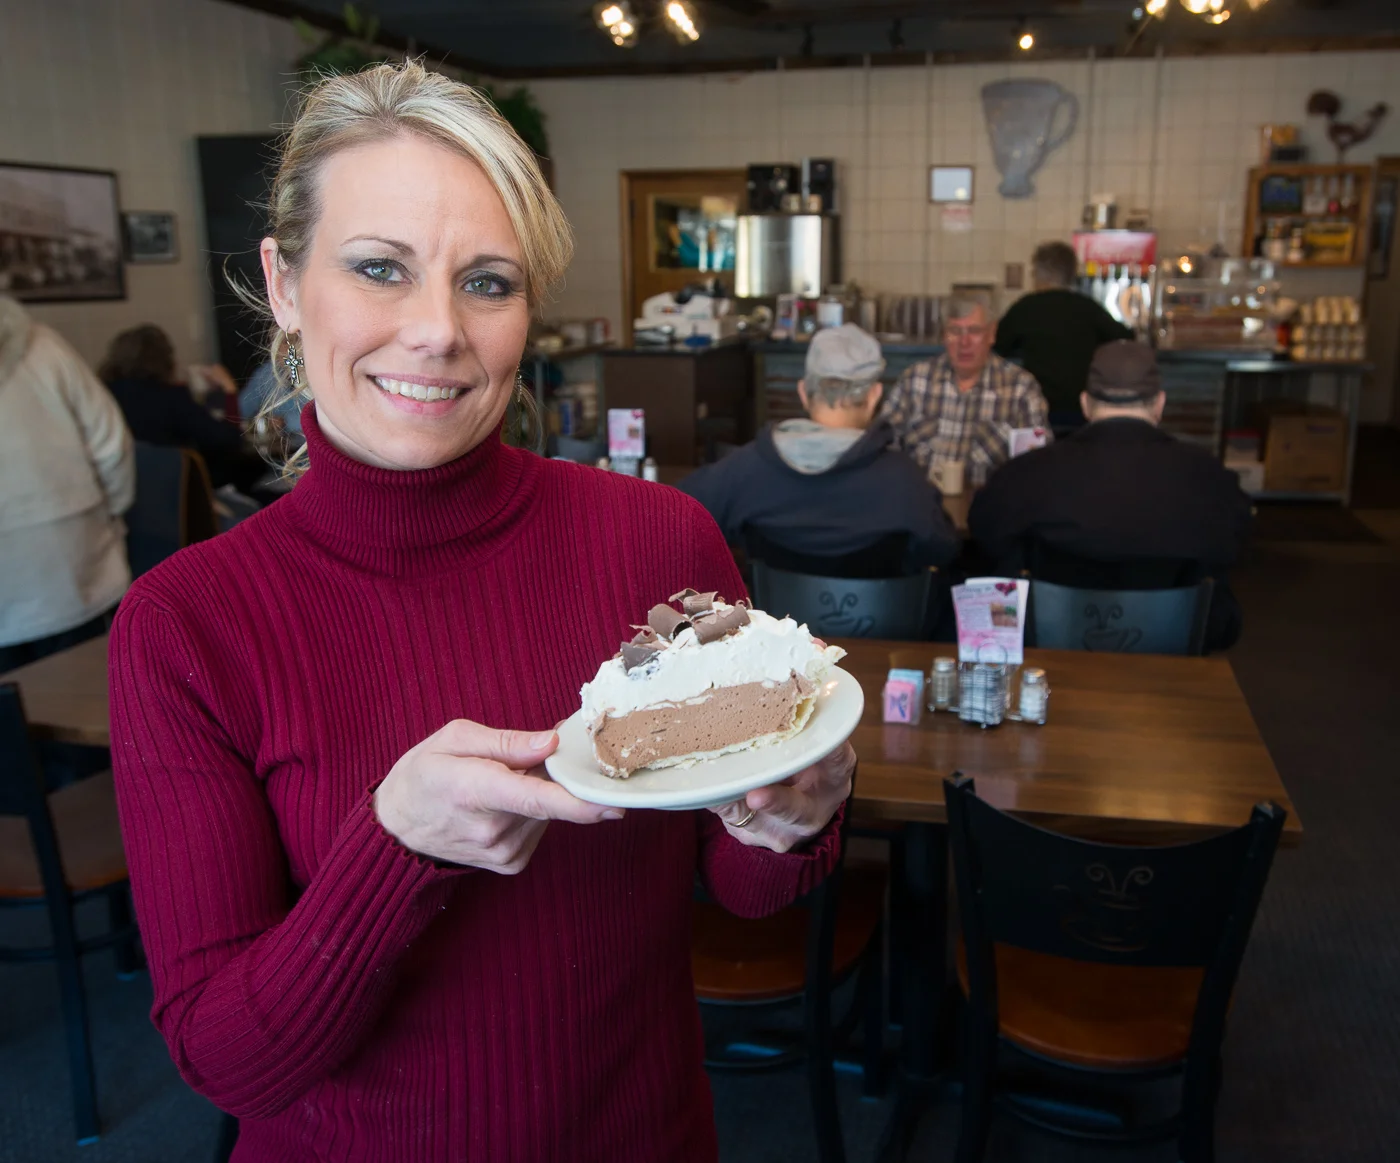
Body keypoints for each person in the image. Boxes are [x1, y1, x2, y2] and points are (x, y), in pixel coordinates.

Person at [108, 61, 852, 1163]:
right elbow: (228, 1059)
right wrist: (397, 844)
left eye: (487, 282)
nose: (435, 331)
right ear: (280, 279)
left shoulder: (659, 540)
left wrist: (792, 814)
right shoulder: (188, 624)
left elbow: (743, 887)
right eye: (377, 268)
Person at [968, 340, 1252, 650]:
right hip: (1176, 648)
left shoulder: (1026, 473)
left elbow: (984, 531)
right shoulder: (1210, 477)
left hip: (1047, 645)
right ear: (1159, 404)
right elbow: (1232, 545)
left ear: (1085, 404)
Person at [679, 323, 958, 576]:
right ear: (874, 396)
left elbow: (676, 517)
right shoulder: (905, 480)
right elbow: (943, 549)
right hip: (884, 630)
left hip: (773, 630)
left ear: (803, 392)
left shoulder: (746, 468)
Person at [0, 295, 134, 673]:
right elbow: (112, 446)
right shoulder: (44, 347)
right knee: (91, 698)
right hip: (74, 567)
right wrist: (109, 518)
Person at [880, 296, 1049, 491]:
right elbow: (883, 448)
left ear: (992, 334)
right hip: (920, 509)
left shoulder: (1021, 389)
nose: (964, 342)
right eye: (955, 331)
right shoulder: (914, 381)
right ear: (944, 335)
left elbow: (1036, 467)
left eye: (975, 331)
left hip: (989, 511)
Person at [99, 324, 267, 495]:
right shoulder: (169, 397)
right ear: (165, 360)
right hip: (174, 491)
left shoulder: (104, 394)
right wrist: (229, 390)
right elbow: (229, 439)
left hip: (120, 488)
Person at [994, 240, 1133, 430]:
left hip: (1038, 413)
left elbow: (997, 348)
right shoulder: (1087, 308)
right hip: (1082, 413)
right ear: (1071, 275)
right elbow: (1126, 338)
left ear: (1039, 274)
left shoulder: (1026, 308)